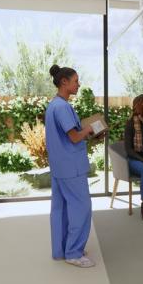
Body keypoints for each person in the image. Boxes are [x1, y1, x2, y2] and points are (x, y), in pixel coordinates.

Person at [45, 64, 95, 268]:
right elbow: (74, 137)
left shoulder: (54, 105)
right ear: (64, 82)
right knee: (82, 208)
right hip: (71, 168)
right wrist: (90, 129)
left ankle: (61, 250)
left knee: (61, 209)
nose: (78, 84)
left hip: (60, 166)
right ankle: (74, 252)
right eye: (75, 81)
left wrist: (85, 133)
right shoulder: (62, 107)